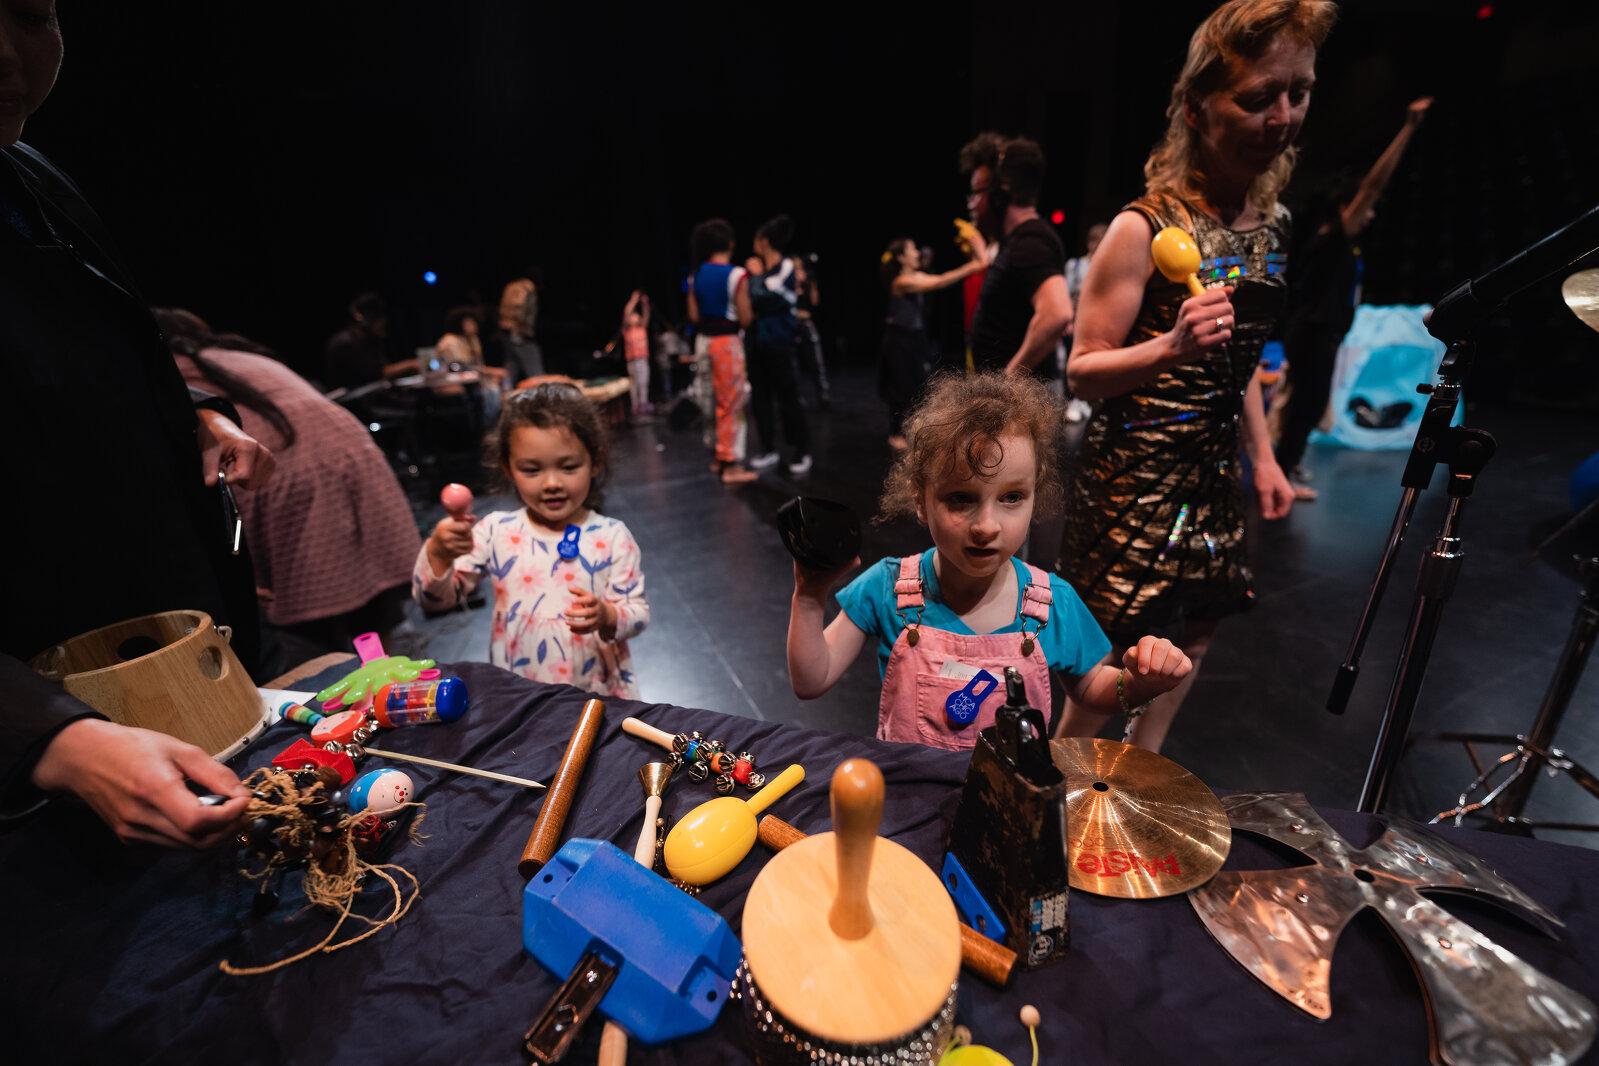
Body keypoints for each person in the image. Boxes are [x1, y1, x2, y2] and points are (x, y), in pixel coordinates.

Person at [1, 7, 271, 846]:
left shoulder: (32, 175)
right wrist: (53, 738)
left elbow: (74, 370)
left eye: (30, 13)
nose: (8, 51)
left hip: (151, 697)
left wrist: (186, 415)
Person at [1056, 0, 1330, 752]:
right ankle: (1049, 792)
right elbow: (1081, 374)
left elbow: (1233, 355)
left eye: (1298, 92)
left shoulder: (1273, 224)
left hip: (1210, 475)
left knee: (1196, 636)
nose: (1281, 117)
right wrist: (1166, 350)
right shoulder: (1140, 228)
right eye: (1256, 97)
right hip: (1133, 477)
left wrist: (1264, 457)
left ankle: (1142, 779)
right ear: (1193, 107)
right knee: (1109, 655)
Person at [787, 373, 1193, 749]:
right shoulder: (889, 587)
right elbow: (812, 679)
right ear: (920, 500)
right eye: (960, 499)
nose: (986, 526)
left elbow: (1089, 689)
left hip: (1009, 808)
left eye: (1011, 498)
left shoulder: (1053, 603)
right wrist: (809, 597)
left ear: (1035, 497)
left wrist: (1136, 684)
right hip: (906, 801)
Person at [156, 309, 422, 674]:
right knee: (373, 616)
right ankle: (384, 688)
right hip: (355, 457)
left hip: (290, 475)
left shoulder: (170, 373)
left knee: (313, 653)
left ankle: (349, 706)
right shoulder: (240, 356)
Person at [414, 384, 650, 698]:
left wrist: (607, 614)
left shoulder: (612, 537)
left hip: (598, 694)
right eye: (531, 469)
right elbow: (435, 600)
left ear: (595, 462)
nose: (552, 483)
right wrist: (440, 555)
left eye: (568, 467)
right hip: (520, 694)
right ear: (508, 469)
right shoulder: (495, 531)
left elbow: (637, 613)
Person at [1276, 96, 1433, 500]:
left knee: (1309, 404)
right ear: (1346, 206)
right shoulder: (1333, 237)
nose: (1372, 214)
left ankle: (1286, 465)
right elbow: (1374, 186)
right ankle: (1280, 473)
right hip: (1312, 330)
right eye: (1364, 208)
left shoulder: (1345, 245)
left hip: (1321, 331)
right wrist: (1409, 130)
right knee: (1305, 405)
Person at [961, 133, 1074, 379]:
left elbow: (1057, 314)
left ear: (1000, 195)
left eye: (977, 193)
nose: (971, 204)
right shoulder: (1017, 242)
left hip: (1014, 408)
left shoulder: (1031, 242)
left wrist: (1007, 382)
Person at [878, 233, 989, 452]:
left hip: (914, 338)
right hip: (899, 339)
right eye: (912, 249)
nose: (917, 253)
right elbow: (940, 281)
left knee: (916, 383)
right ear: (901, 258)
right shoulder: (901, 281)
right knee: (901, 385)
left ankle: (908, 429)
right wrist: (977, 265)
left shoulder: (915, 275)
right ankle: (896, 433)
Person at [686, 218, 759, 485]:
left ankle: (717, 457)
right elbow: (746, 317)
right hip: (727, 343)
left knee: (710, 399)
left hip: (704, 342)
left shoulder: (696, 275)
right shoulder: (736, 274)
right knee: (731, 402)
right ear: (730, 243)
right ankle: (730, 464)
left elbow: (693, 315)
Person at [746, 214, 813, 475]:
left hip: (779, 342)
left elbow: (766, 297)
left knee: (788, 398)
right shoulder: (761, 271)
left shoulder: (785, 267)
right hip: (756, 343)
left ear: (764, 241)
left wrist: (755, 278)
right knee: (761, 398)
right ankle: (768, 449)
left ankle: (801, 450)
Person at [1061, 222, 1109, 422]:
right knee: (1072, 362)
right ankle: (1072, 401)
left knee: (1095, 362)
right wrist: (1068, 320)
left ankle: (1087, 401)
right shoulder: (1076, 265)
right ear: (1090, 244)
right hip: (1076, 321)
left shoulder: (1107, 267)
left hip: (1099, 323)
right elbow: (1066, 294)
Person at [325, 292, 415, 390]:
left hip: (373, 396)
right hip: (354, 400)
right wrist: (411, 365)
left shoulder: (370, 341)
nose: (382, 323)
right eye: (377, 319)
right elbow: (378, 374)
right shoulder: (345, 343)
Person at [792, 254, 830, 407]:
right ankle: (797, 396)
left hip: (806, 321)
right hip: (792, 323)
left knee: (817, 359)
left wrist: (810, 284)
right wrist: (795, 283)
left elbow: (814, 301)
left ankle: (823, 394)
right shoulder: (786, 278)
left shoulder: (808, 278)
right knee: (794, 362)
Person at [491, 277, 544, 384]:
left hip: (519, 336)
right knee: (531, 373)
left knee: (511, 370)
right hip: (516, 336)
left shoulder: (524, 302)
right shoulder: (517, 300)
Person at [620, 290, 653, 419]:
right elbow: (627, 312)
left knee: (643, 382)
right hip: (632, 360)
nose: (636, 317)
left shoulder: (642, 328)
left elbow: (647, 314)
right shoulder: (627, 329)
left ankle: (643, 404)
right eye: (634, 316)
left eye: (637, 315)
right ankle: (635, 406)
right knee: (634, 384)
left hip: (642, 359)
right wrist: (633, 300)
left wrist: (644, 304)